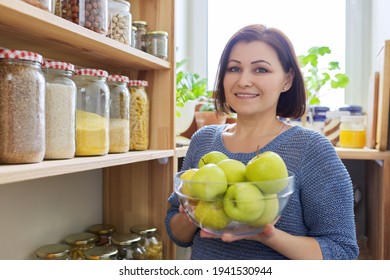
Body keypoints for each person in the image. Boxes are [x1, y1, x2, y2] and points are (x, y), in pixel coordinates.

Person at [165, 24, 359, 260]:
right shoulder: (203, 141)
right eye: (234, 68)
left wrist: (267, 235)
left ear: (287, 80)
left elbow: (342, 253)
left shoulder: (311, 149)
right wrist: (191, 215)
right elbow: (176, 233)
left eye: (260, 70)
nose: (243, 80)